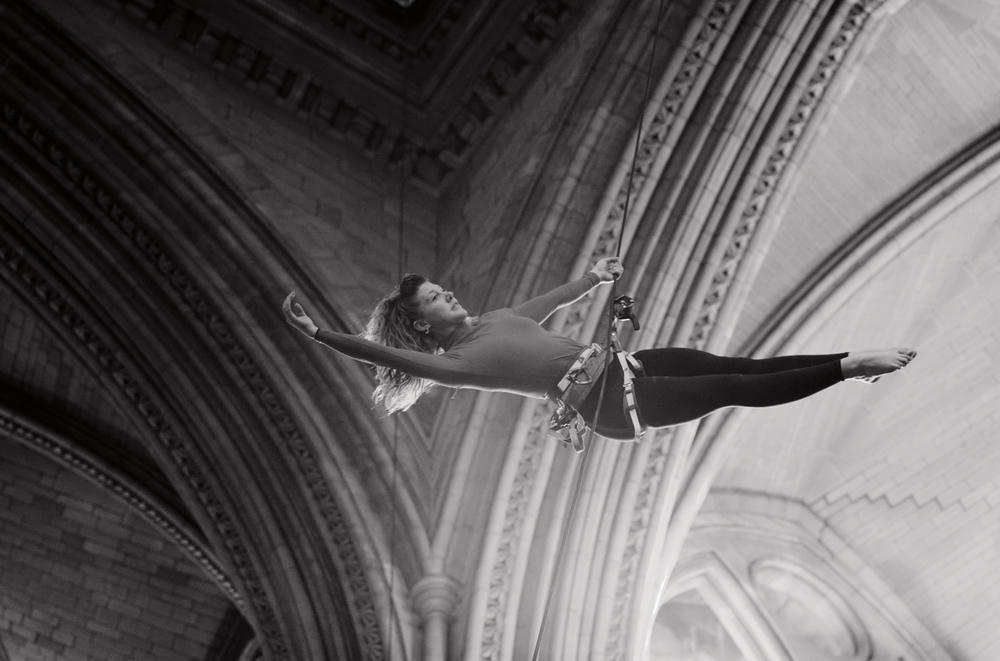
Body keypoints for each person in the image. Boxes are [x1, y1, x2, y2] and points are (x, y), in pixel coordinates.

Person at [281, 258, 916, 441]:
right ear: (423, 327)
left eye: (446, 291)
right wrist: (320, 335)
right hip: (607, 402)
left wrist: (595, 277)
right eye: (438, 302)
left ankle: (845, 362)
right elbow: (389, 361)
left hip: (622, 366)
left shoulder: (499, 318)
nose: (451, 298)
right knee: (726, 390)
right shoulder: (452, 365)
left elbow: (550, 304)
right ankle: (846, 368)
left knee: (727, 367)